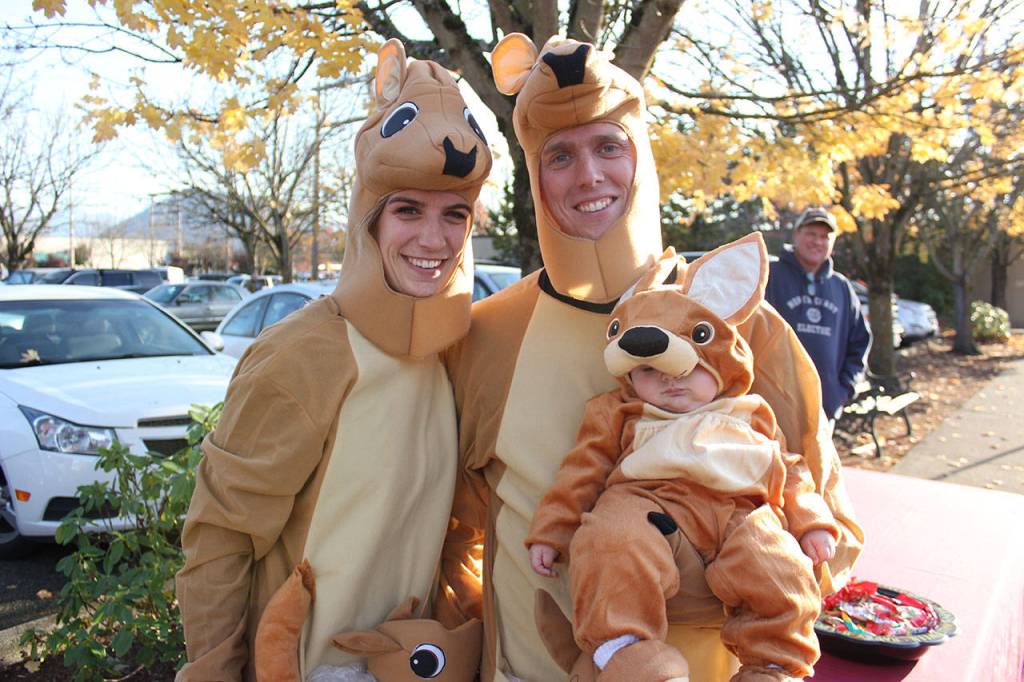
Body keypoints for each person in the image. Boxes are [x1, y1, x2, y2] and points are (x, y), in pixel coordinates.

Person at [439, 33, 864, 682]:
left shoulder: (739, 320)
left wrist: (694, 565)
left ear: (642, 155)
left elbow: (828, 523)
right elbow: (461, 530)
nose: (589, 175)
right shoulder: (488, 334)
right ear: (533, 174)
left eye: (609, 145)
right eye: (560, 155)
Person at [174, 39, 492, 682]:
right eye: (408, 210)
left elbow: (458, 532)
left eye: (453, 215)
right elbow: (220, 538)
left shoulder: (457, 352)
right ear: (369, 220)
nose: (434, 239)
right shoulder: (300, 352)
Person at [526, 234, 838, 681]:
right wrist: (552, 531)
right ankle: (628, 654)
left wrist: (811, 521)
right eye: (651, 371)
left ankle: (773, 663)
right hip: (648, 501)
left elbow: (791, 470)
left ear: (719, 363)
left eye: (688, 367)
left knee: (779, 566)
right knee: (608, 542)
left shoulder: (750, 412)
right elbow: (582, 470)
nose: (672, 382)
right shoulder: (621, 411)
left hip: (740, 512)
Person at [765, 207, 871, 421]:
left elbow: (860, 342)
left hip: (824, 410)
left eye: (824, 236)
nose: (817, 241)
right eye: (811, 234)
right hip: (773, 408)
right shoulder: (769, 275)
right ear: (796, 234)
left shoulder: (841, 287)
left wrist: (845, 389)